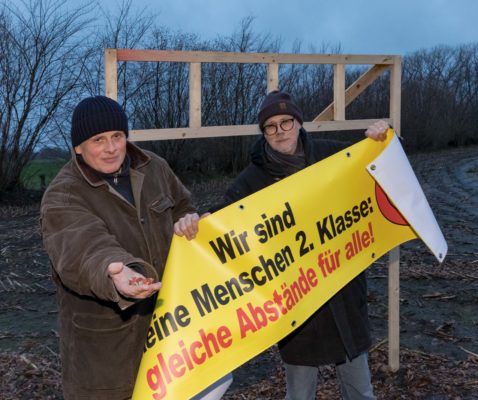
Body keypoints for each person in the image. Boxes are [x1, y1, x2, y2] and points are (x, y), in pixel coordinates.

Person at [220, 90, 388, 400]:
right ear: (263, 132)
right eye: (271, 126)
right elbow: (222, 225)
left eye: (286, 122)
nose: (280, 131)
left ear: (299, 123)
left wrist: (382, 141)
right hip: (296, 304)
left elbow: (383, 166)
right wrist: (199, 224)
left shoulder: (332, 156)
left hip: (343, 293)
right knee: (298, 395)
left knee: (361, 392)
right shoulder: (252, 181)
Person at [40, 95, 208, 399]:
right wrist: (113, 271)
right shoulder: (62, 196)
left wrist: (189, 222)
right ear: (78, 147)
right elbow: (83, 245)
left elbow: (183, 205)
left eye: (117, 136)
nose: (111, 147)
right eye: (98, 139)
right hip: (107, 355)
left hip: (171, 333)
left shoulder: (154, 167)